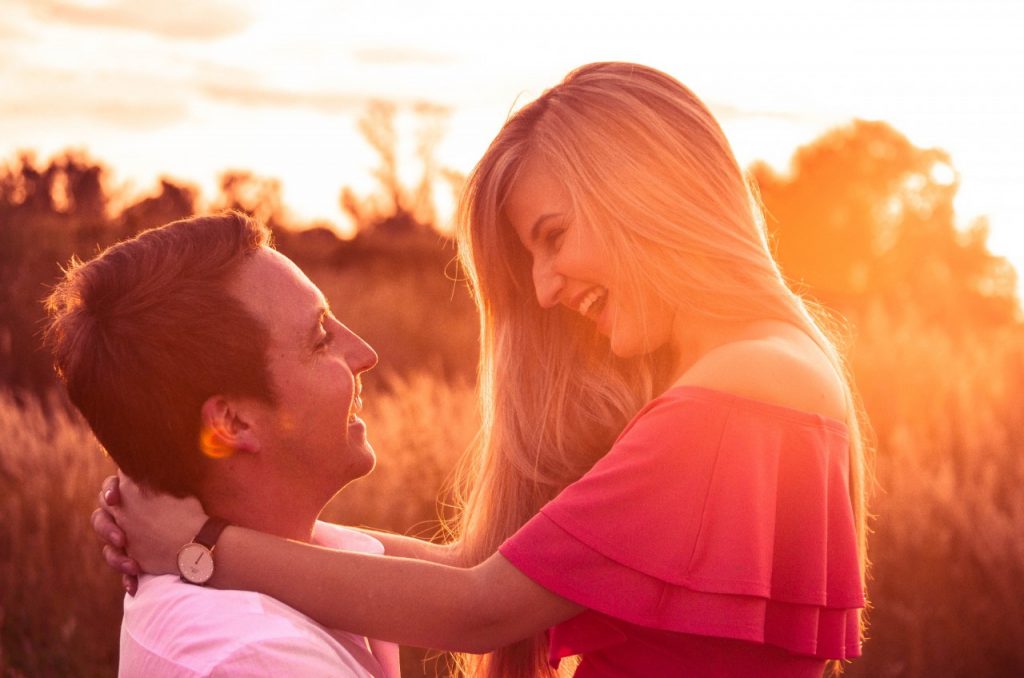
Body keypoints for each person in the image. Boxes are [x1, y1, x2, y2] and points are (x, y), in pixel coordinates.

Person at [93, 62, 869, 677]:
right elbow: (475, 568)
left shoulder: (739, 394)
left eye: (554, 235)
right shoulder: (774, 372)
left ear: (643, 192)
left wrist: (202, 545)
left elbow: (476, 608)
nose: (544, 287)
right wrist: (234, 526)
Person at [46, 213, 401, 677]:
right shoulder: (255, 658)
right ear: (232, 422)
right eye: (319, 338)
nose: (364, 353)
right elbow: (490, 598)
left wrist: (200, 546)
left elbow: (483, 572)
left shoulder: (279, 566)